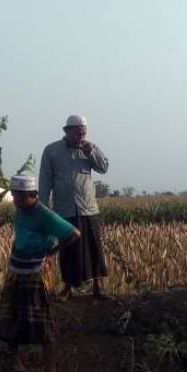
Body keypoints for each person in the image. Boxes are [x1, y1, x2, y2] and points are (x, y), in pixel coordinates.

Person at [0, 171, 81, 372]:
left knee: (41, 320)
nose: (16, 200)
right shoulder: (19, 211)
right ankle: (16, 362)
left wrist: (52, 253)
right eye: (15, 196)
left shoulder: (45, 215)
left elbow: (74, 234)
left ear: (32, 194)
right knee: (10, 315)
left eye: (20, 196)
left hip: (36, 270)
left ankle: (50, 369)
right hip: (16, 267)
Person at [38, 114, 110, 300]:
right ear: (66, 131)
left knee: (94, 247)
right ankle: (68, 287)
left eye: (83, 133)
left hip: (88, 207)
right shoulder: (51, 151)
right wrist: (43, 208)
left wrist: (91, 151)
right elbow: (45, 181)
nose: (80, 137)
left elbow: (104, 168)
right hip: (64, 208)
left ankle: (98, 286)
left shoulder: (89, 148)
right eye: (77, 134)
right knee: (68, 249)